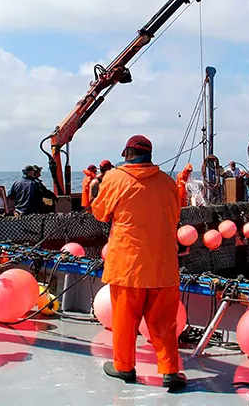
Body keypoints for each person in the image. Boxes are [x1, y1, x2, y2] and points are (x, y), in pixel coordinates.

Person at [90, 134, 186, 391]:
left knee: (124, 320)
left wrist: (94, 187)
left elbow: (99, 213)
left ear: (126, 154)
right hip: (163, 265)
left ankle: (124, 367)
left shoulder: (114, 179)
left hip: (127, 264)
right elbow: (175, 215)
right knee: (165, 323)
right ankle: (169, 371)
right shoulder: (167, 183)